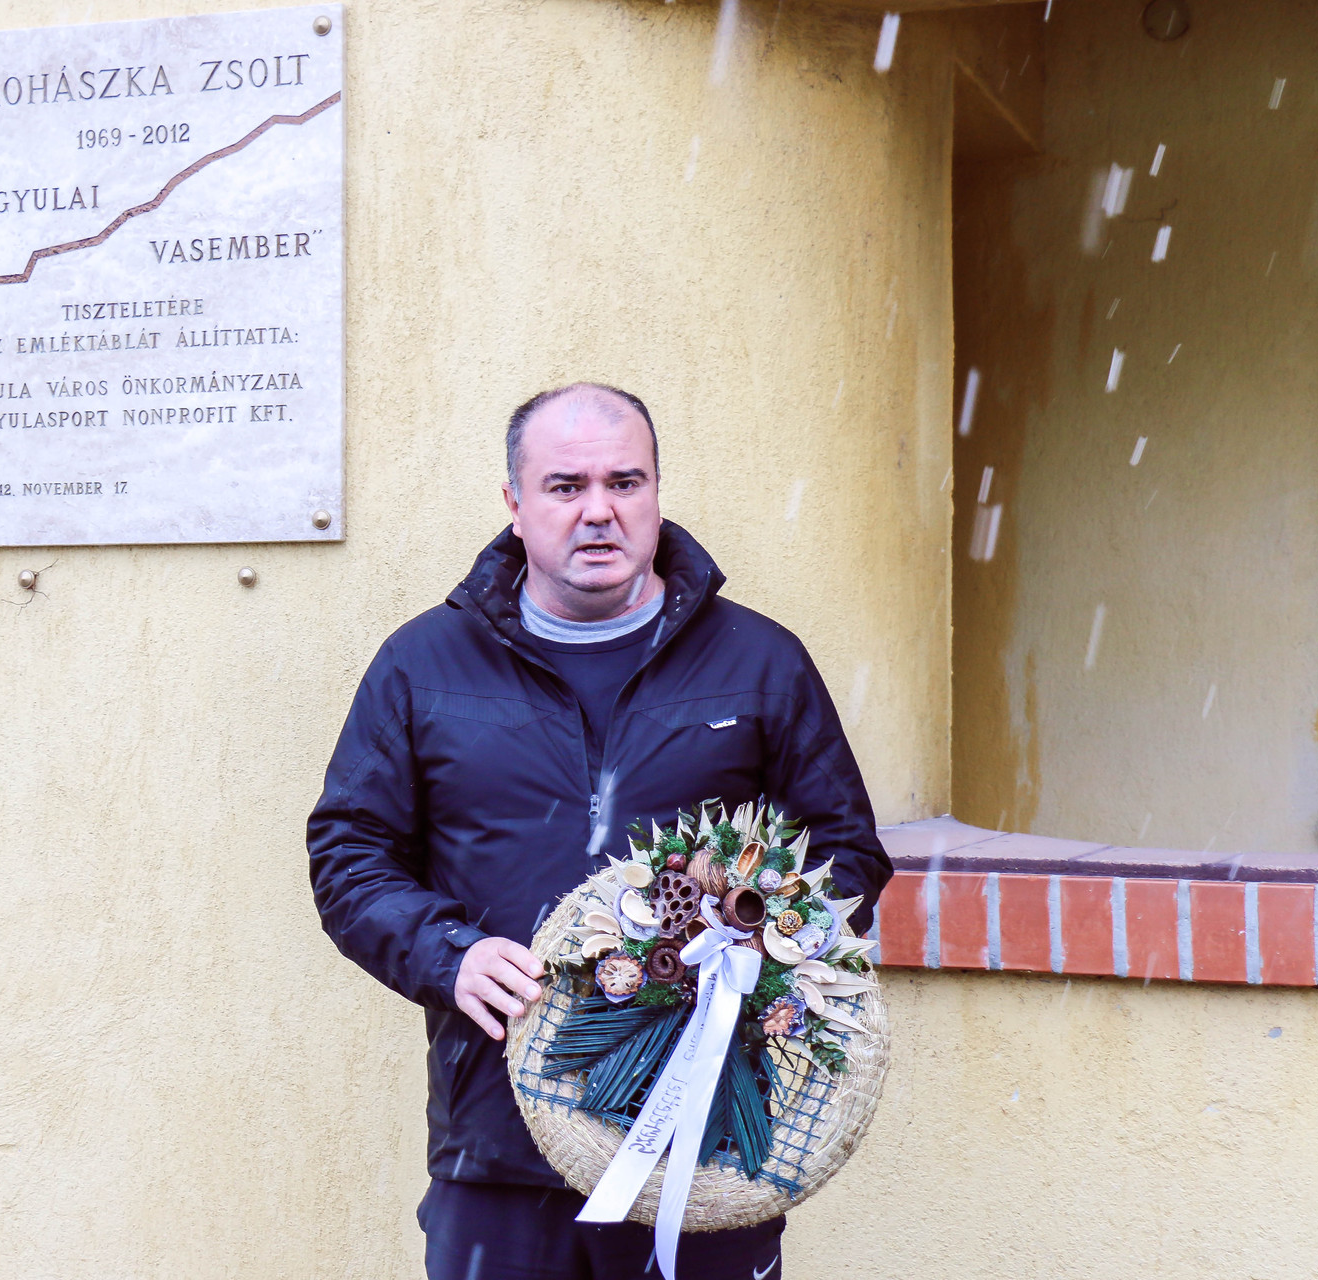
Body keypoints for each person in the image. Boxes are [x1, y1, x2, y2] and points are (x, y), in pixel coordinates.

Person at [308, 383, 891, 1280]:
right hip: (497, 1149)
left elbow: (844, 855)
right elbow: (350, 856)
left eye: (625, 482)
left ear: (657, 492)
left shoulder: (759, 663)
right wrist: (449, 954)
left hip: (705, 1150)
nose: (599, 511)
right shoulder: (423, 666)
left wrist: (752, 951)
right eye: (565, 486)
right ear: (514, 503)